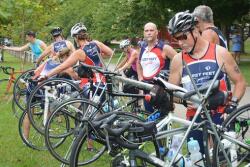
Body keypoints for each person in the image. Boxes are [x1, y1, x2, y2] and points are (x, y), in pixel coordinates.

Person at [168, 11, 246, 154]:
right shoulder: (178, 60)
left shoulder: (220, 52)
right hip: (195, 117)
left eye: (183, 37)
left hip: (221, 114)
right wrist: (184, 101)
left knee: (222, 158)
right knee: (198, 158)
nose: (180, 43)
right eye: (176, 39)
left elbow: (240, 82)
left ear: (195, 30)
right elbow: (171, 93)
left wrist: (233, 106)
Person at [137, 22, 177, 113]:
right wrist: (140, 77)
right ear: (144, 33)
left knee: (162, 120)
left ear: (156, 32)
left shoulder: (164, 47)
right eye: (146, 31)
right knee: (149, 118)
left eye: (151, 30)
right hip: (146, 88)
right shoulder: (142, 48)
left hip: (160, 91)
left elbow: (180, 62)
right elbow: (138, 63)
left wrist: (173, 80)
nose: (149, 33)